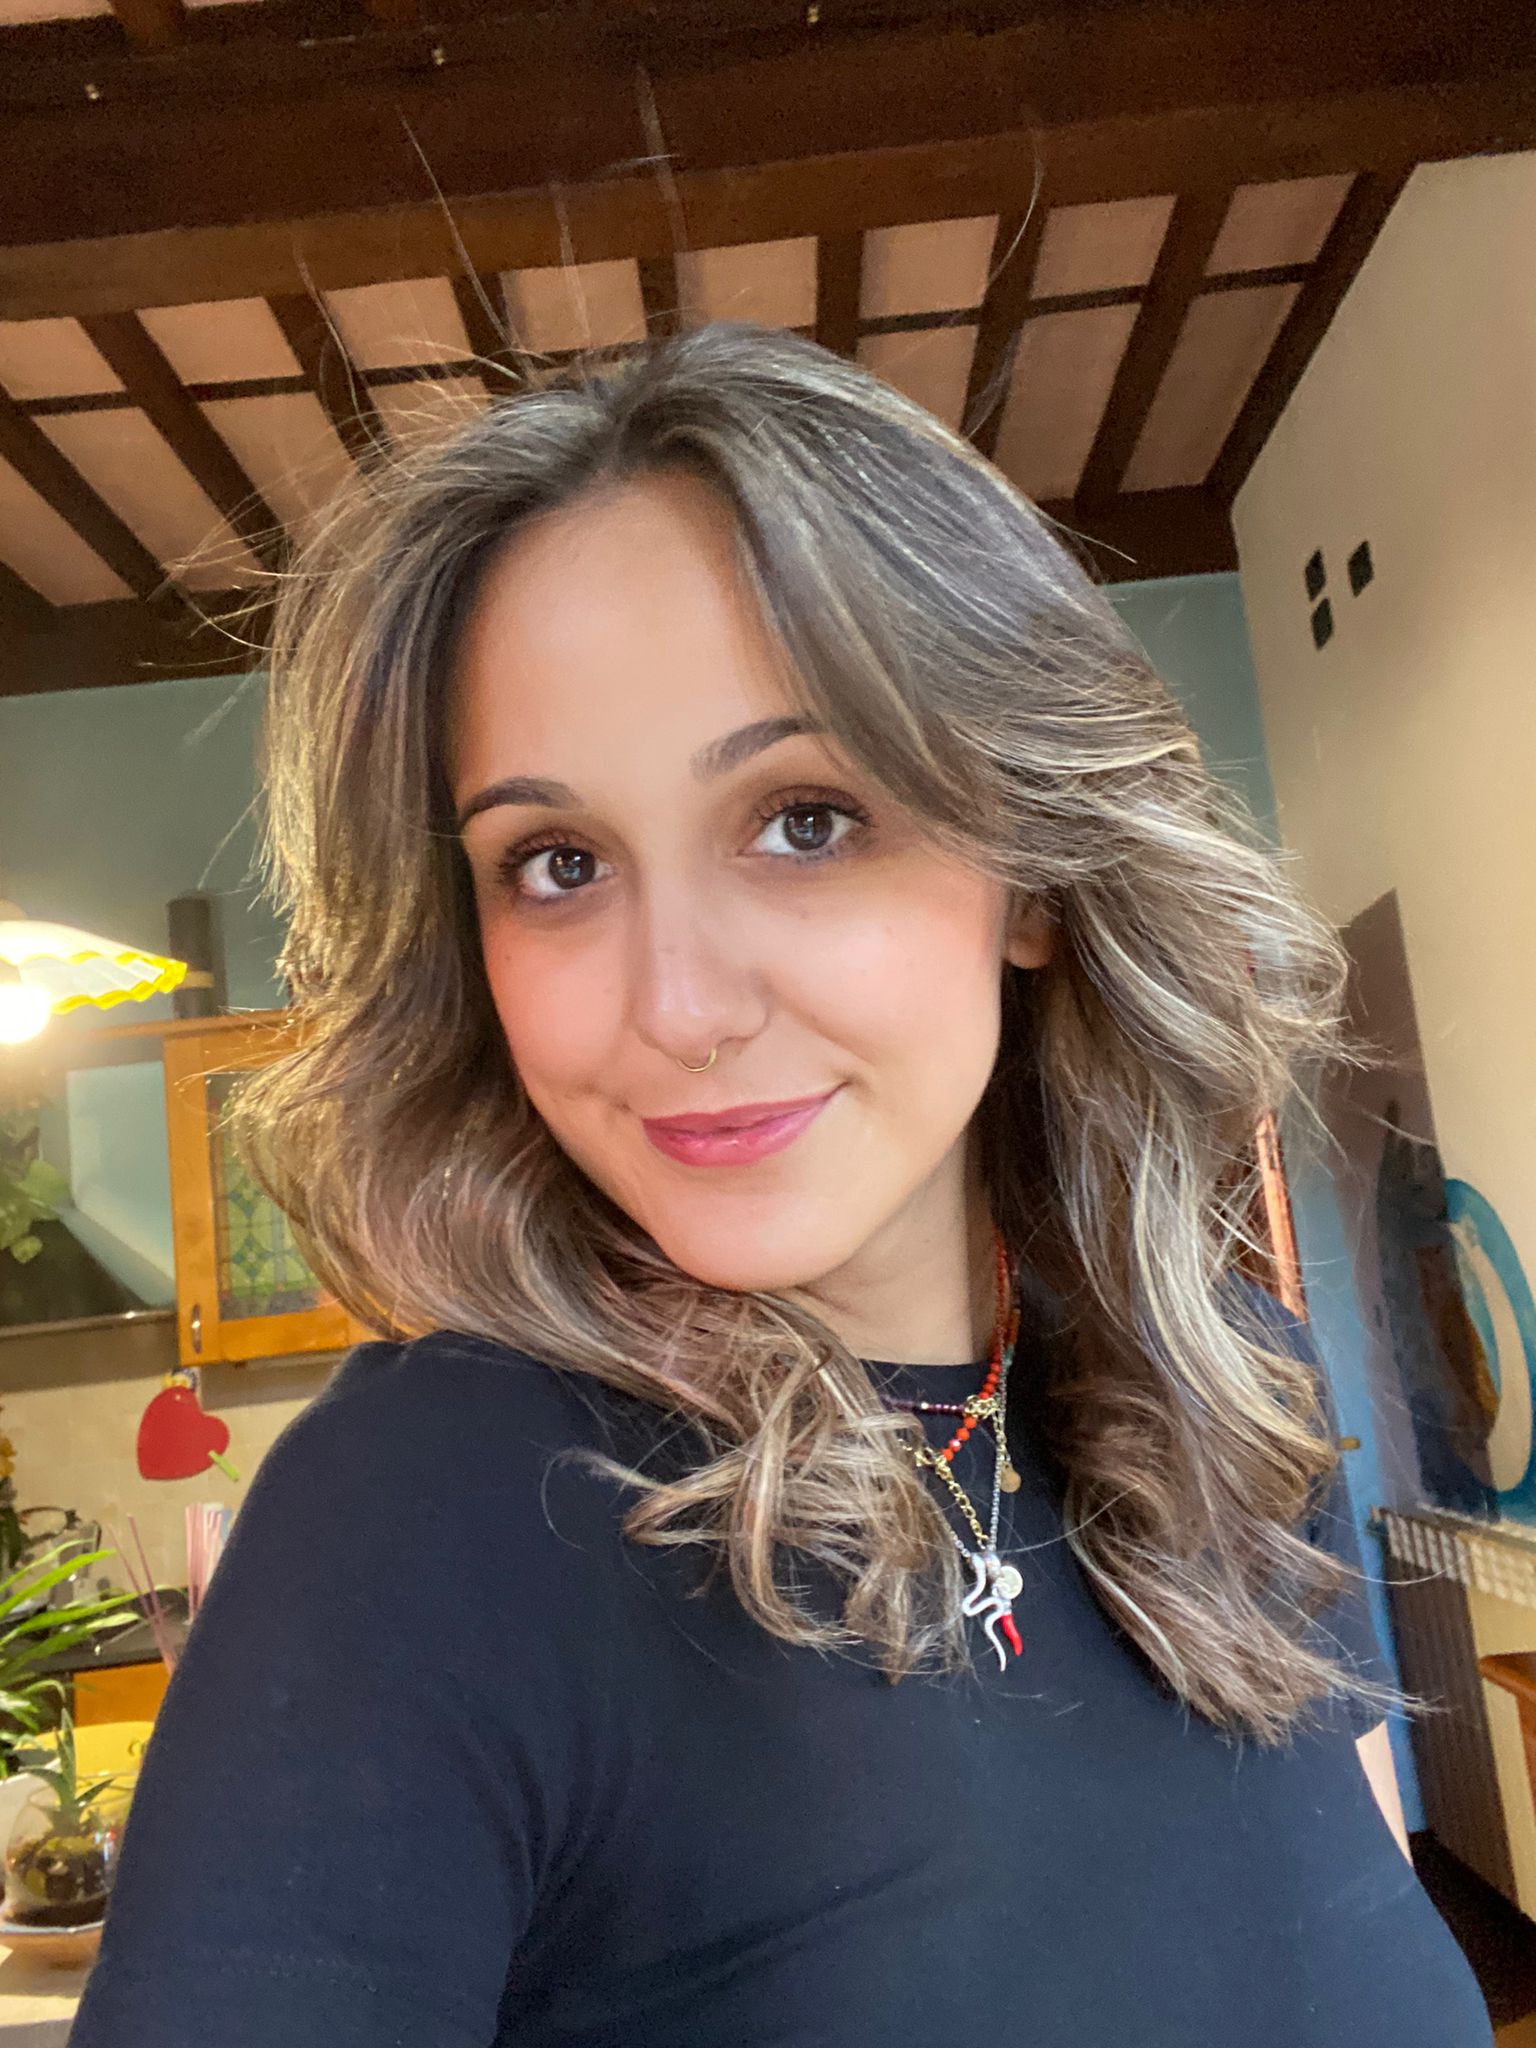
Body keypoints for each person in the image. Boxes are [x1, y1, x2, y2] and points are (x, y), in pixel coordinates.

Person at [70, 325, 1490, 2046]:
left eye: (805, 819)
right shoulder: (430, 1520)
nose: (678, 1007)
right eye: (557, 863)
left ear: (1036, 875)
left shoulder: (1221, 1400)